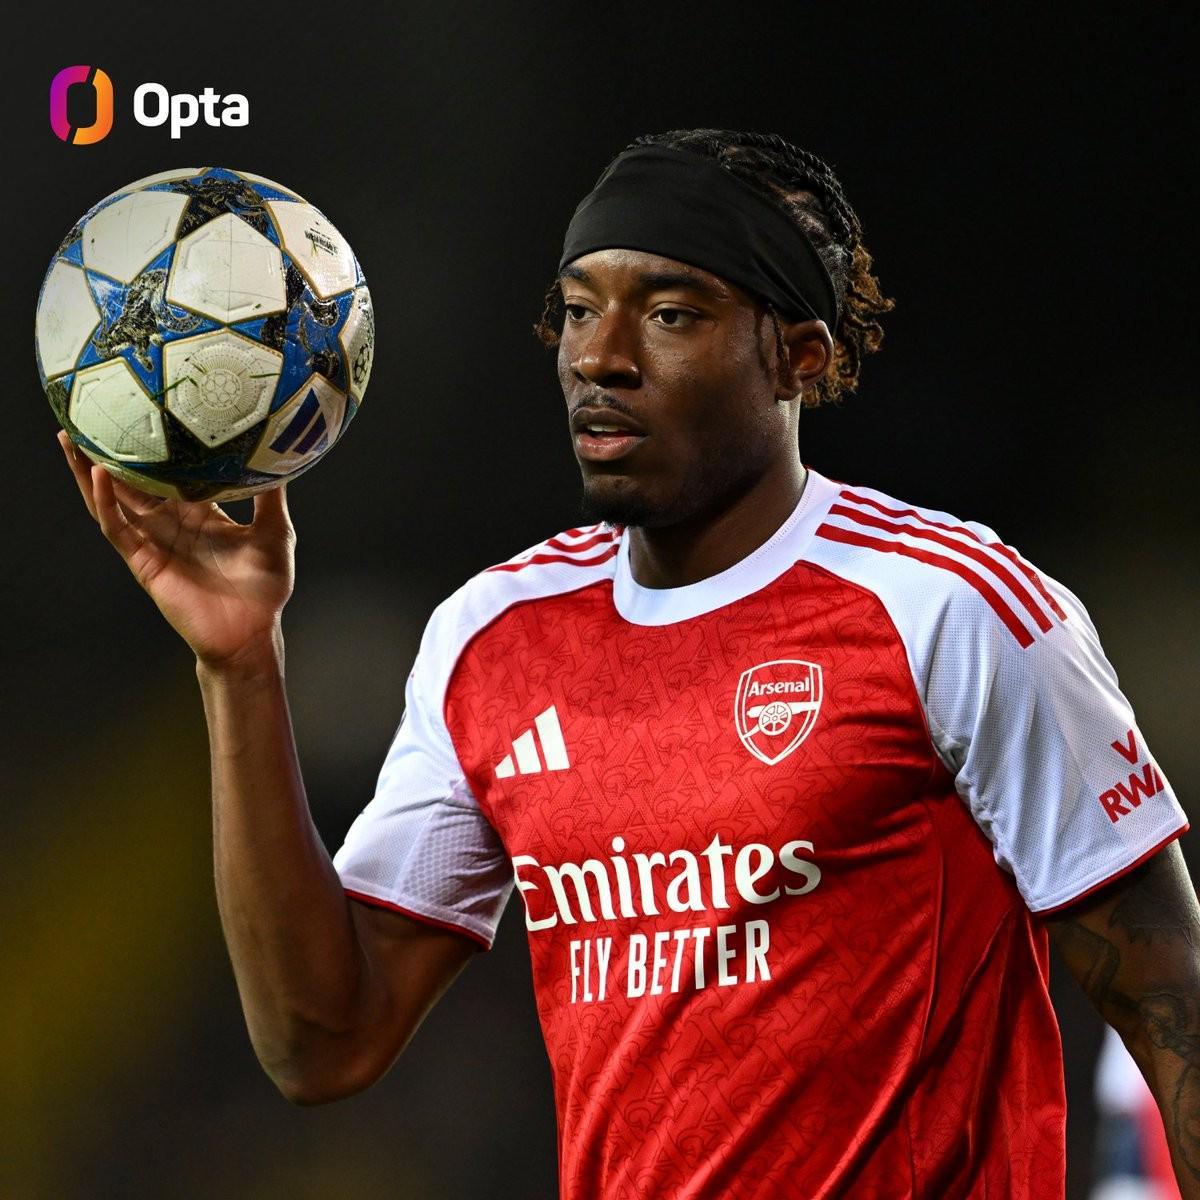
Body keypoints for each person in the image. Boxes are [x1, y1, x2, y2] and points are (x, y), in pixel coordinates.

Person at [59, 128, 1199, 1199]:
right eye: (575, 310)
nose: (598, 357)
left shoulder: (948, 606)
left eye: (669, 314)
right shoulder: (491, 639)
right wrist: (240, 667)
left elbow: (1170, 999)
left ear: (797, 356)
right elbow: (323, 1044)